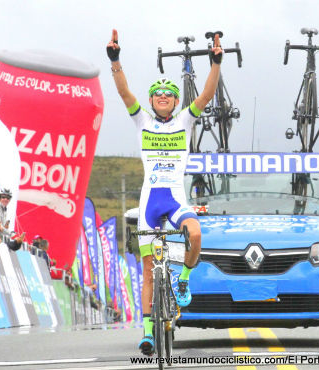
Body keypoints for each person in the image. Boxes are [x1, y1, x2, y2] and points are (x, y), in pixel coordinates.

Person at [107, 29, 223, 355]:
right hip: (149, 201)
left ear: (174, 100)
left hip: (174, 199)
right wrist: (115, 60)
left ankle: (183, 278)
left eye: (167, 94)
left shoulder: (185, 120)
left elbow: (206, 96)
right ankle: (147, 332)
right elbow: (124, 92)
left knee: (195, 234)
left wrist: (215, 64)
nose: (161, 96)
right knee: (148, 270)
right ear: (151, 100)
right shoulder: (141, 120)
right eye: (156, 93)